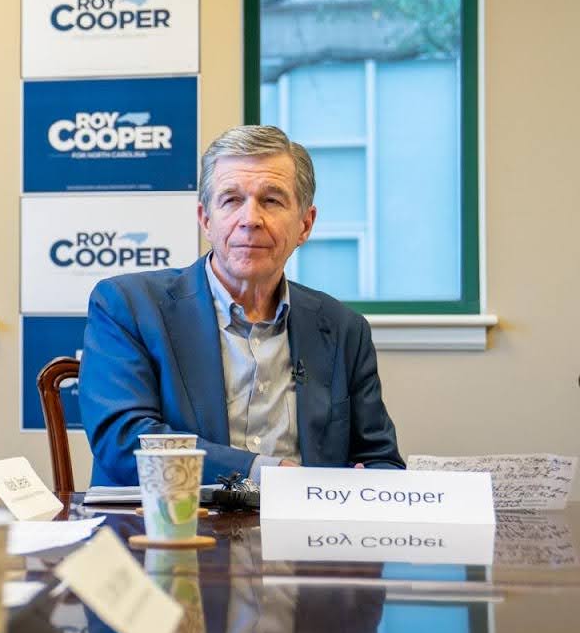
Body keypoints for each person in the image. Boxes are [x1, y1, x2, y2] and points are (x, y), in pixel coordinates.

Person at [80, 125, 404, 485]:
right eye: (232, 200)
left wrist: (366, 486)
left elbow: (380, 460)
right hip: (173, 517)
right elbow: (125, 441)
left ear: (305, 224)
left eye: (272, 201)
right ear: (206, 219)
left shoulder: (344, 329)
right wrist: (265, 473)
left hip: (305, 519)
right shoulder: (129, 306)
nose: (250, 219)